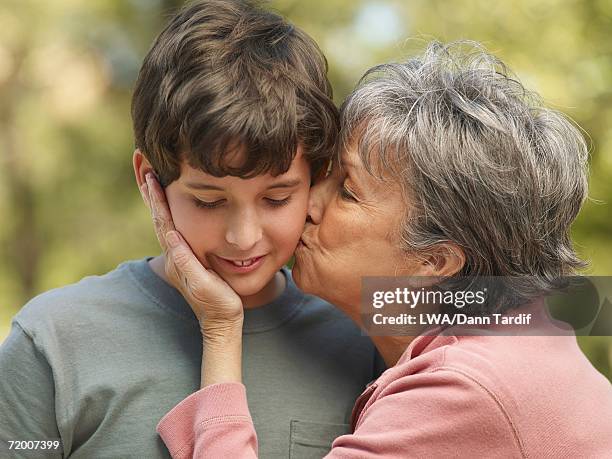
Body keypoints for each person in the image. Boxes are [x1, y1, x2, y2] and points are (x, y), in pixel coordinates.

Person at [148, 41, 612, 457]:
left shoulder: (465, 389)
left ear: (434, 262)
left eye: (347, 190)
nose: (308, 203)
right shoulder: (522, 340)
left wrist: (222, 329)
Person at [0, 1, 384, 457]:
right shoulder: (52, 341)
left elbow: (489, 309)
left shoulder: (367, 334)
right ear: (150, 178)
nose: (243, 237)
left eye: (276, 198)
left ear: (317, 176)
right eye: (208, 201)